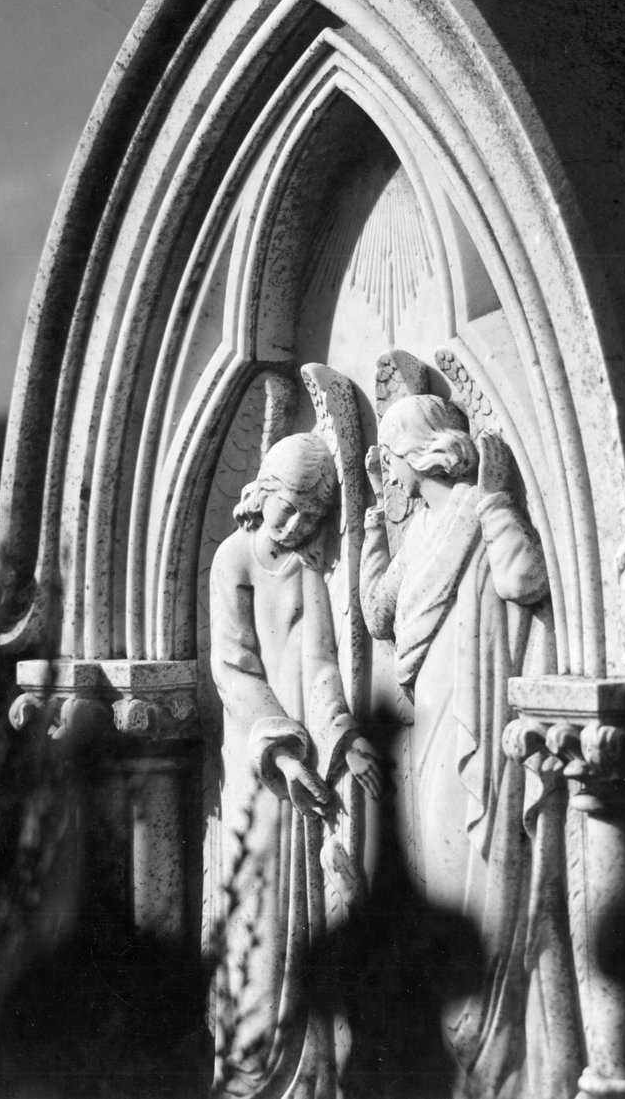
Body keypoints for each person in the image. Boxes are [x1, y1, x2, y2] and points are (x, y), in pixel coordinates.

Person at [359, 394, 548, 1096]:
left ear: (420, 453)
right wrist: (373, 524)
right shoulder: (421, 529)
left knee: (467, 865)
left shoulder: (473, 507)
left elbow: (524, 578)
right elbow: (379, 611)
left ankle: (489, 1048)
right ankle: (455, 1042)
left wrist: (496, 502)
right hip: (428, 712)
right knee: (434, 874)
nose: (389, 471)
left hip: (470, 710)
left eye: (390, 457)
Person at [210, 431, 381, 1098]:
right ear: (264, 493)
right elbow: (234, 668)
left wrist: (342, 737)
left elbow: (320, 665)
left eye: (309, 519)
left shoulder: (306, 570)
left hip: (305, 767)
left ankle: (307, 1080)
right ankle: (248, 1075)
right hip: (258, 767)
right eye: (287, 509)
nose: (293, 527)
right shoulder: (233, 558)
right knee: (257, 923)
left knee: (301, 921)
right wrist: (280, 754)